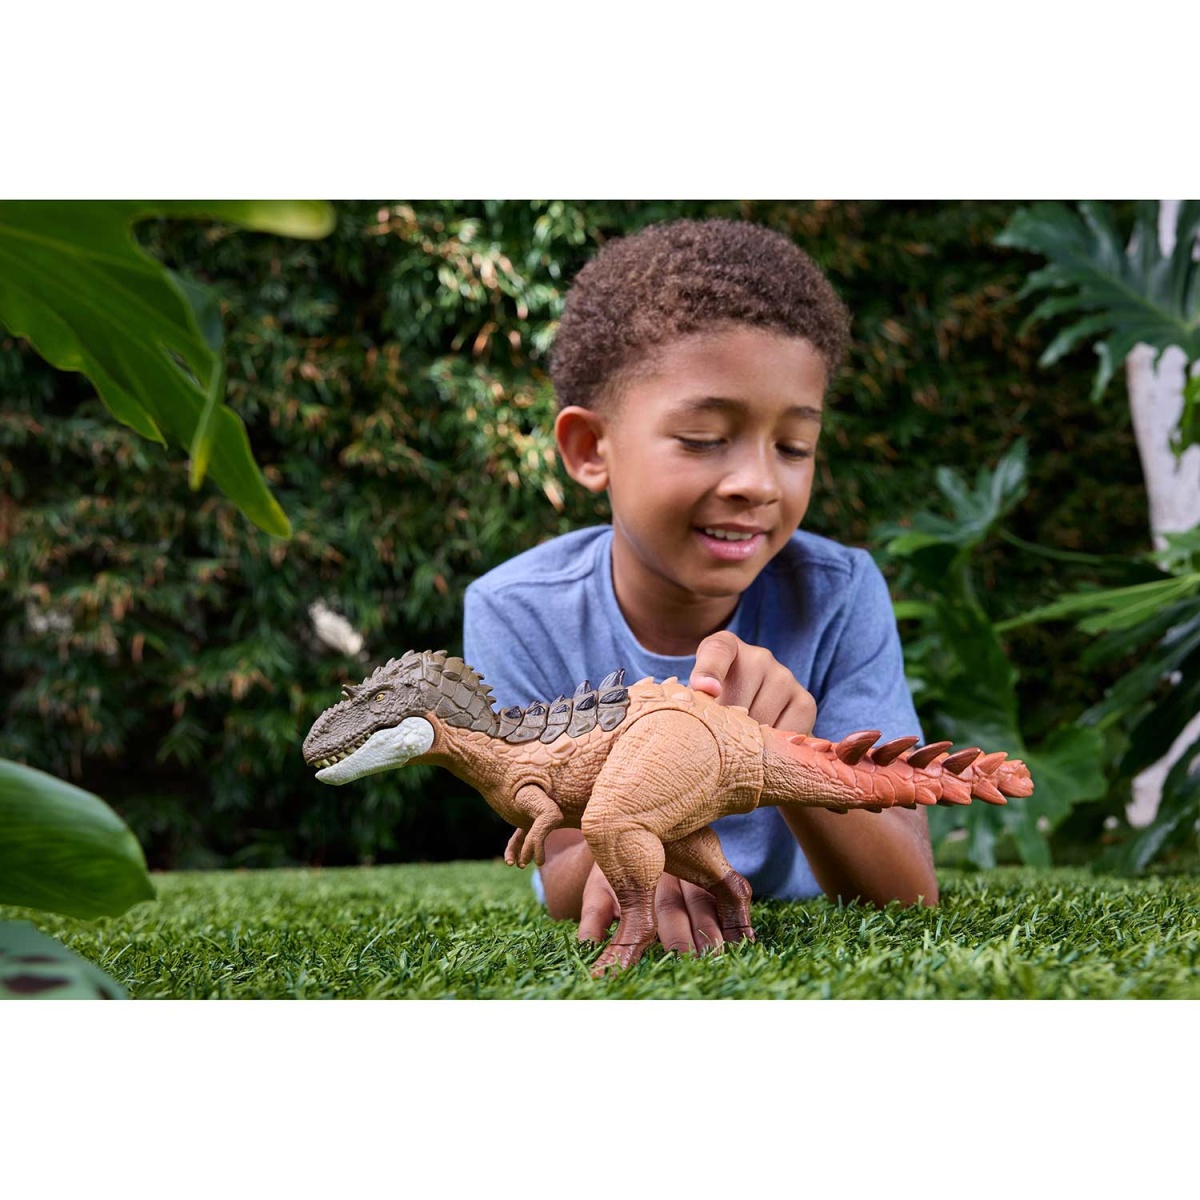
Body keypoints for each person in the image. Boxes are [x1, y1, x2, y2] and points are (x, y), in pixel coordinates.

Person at [463, 217, 937, 958]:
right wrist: (647, 827)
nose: (758, 483)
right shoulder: (515, 610)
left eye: (794, 447)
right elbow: (559, 874)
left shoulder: (840, 594)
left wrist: (785, 751)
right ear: (591, 449)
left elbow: (907, 894)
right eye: (703, 439)